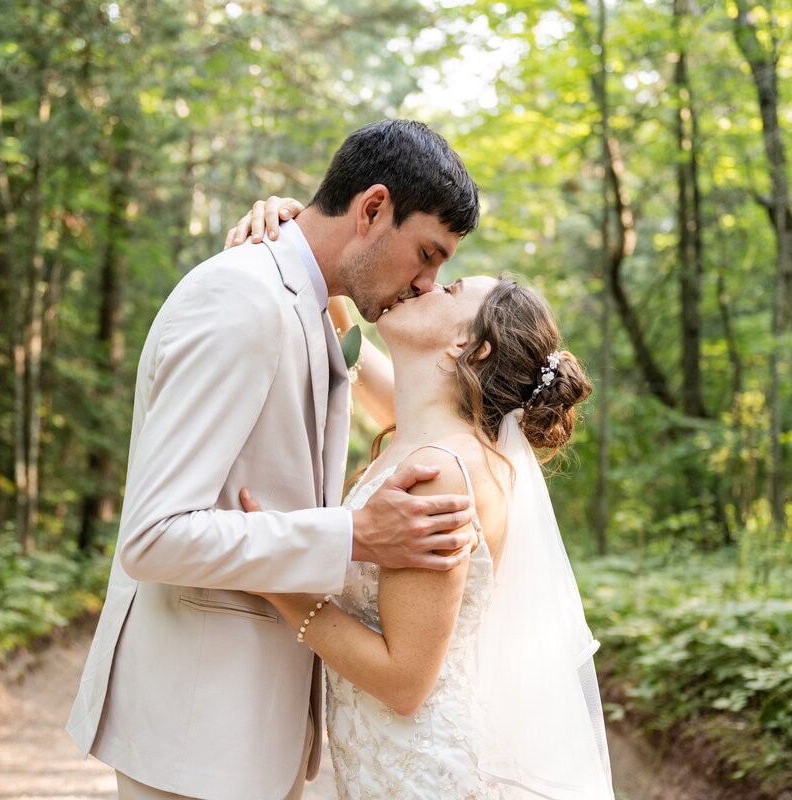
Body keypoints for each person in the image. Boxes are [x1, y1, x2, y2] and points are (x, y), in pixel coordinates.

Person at [66, 120, 481, 800]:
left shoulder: (311, 305)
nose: (427, 285)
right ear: (373, 208)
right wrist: (353, 535)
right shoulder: (242, 297)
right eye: (427, 254)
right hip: (196, 739)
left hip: (259, 737)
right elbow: (152, 536)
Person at [230, 200, 615, 799]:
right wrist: (298, 226)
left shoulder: (442, 473)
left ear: (471, 346)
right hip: (394, 764)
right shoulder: (431, 433)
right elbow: (348, 342)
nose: (427, 283)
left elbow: (405, 681)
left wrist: (275, 576)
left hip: (422, 775)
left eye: (452, 288)